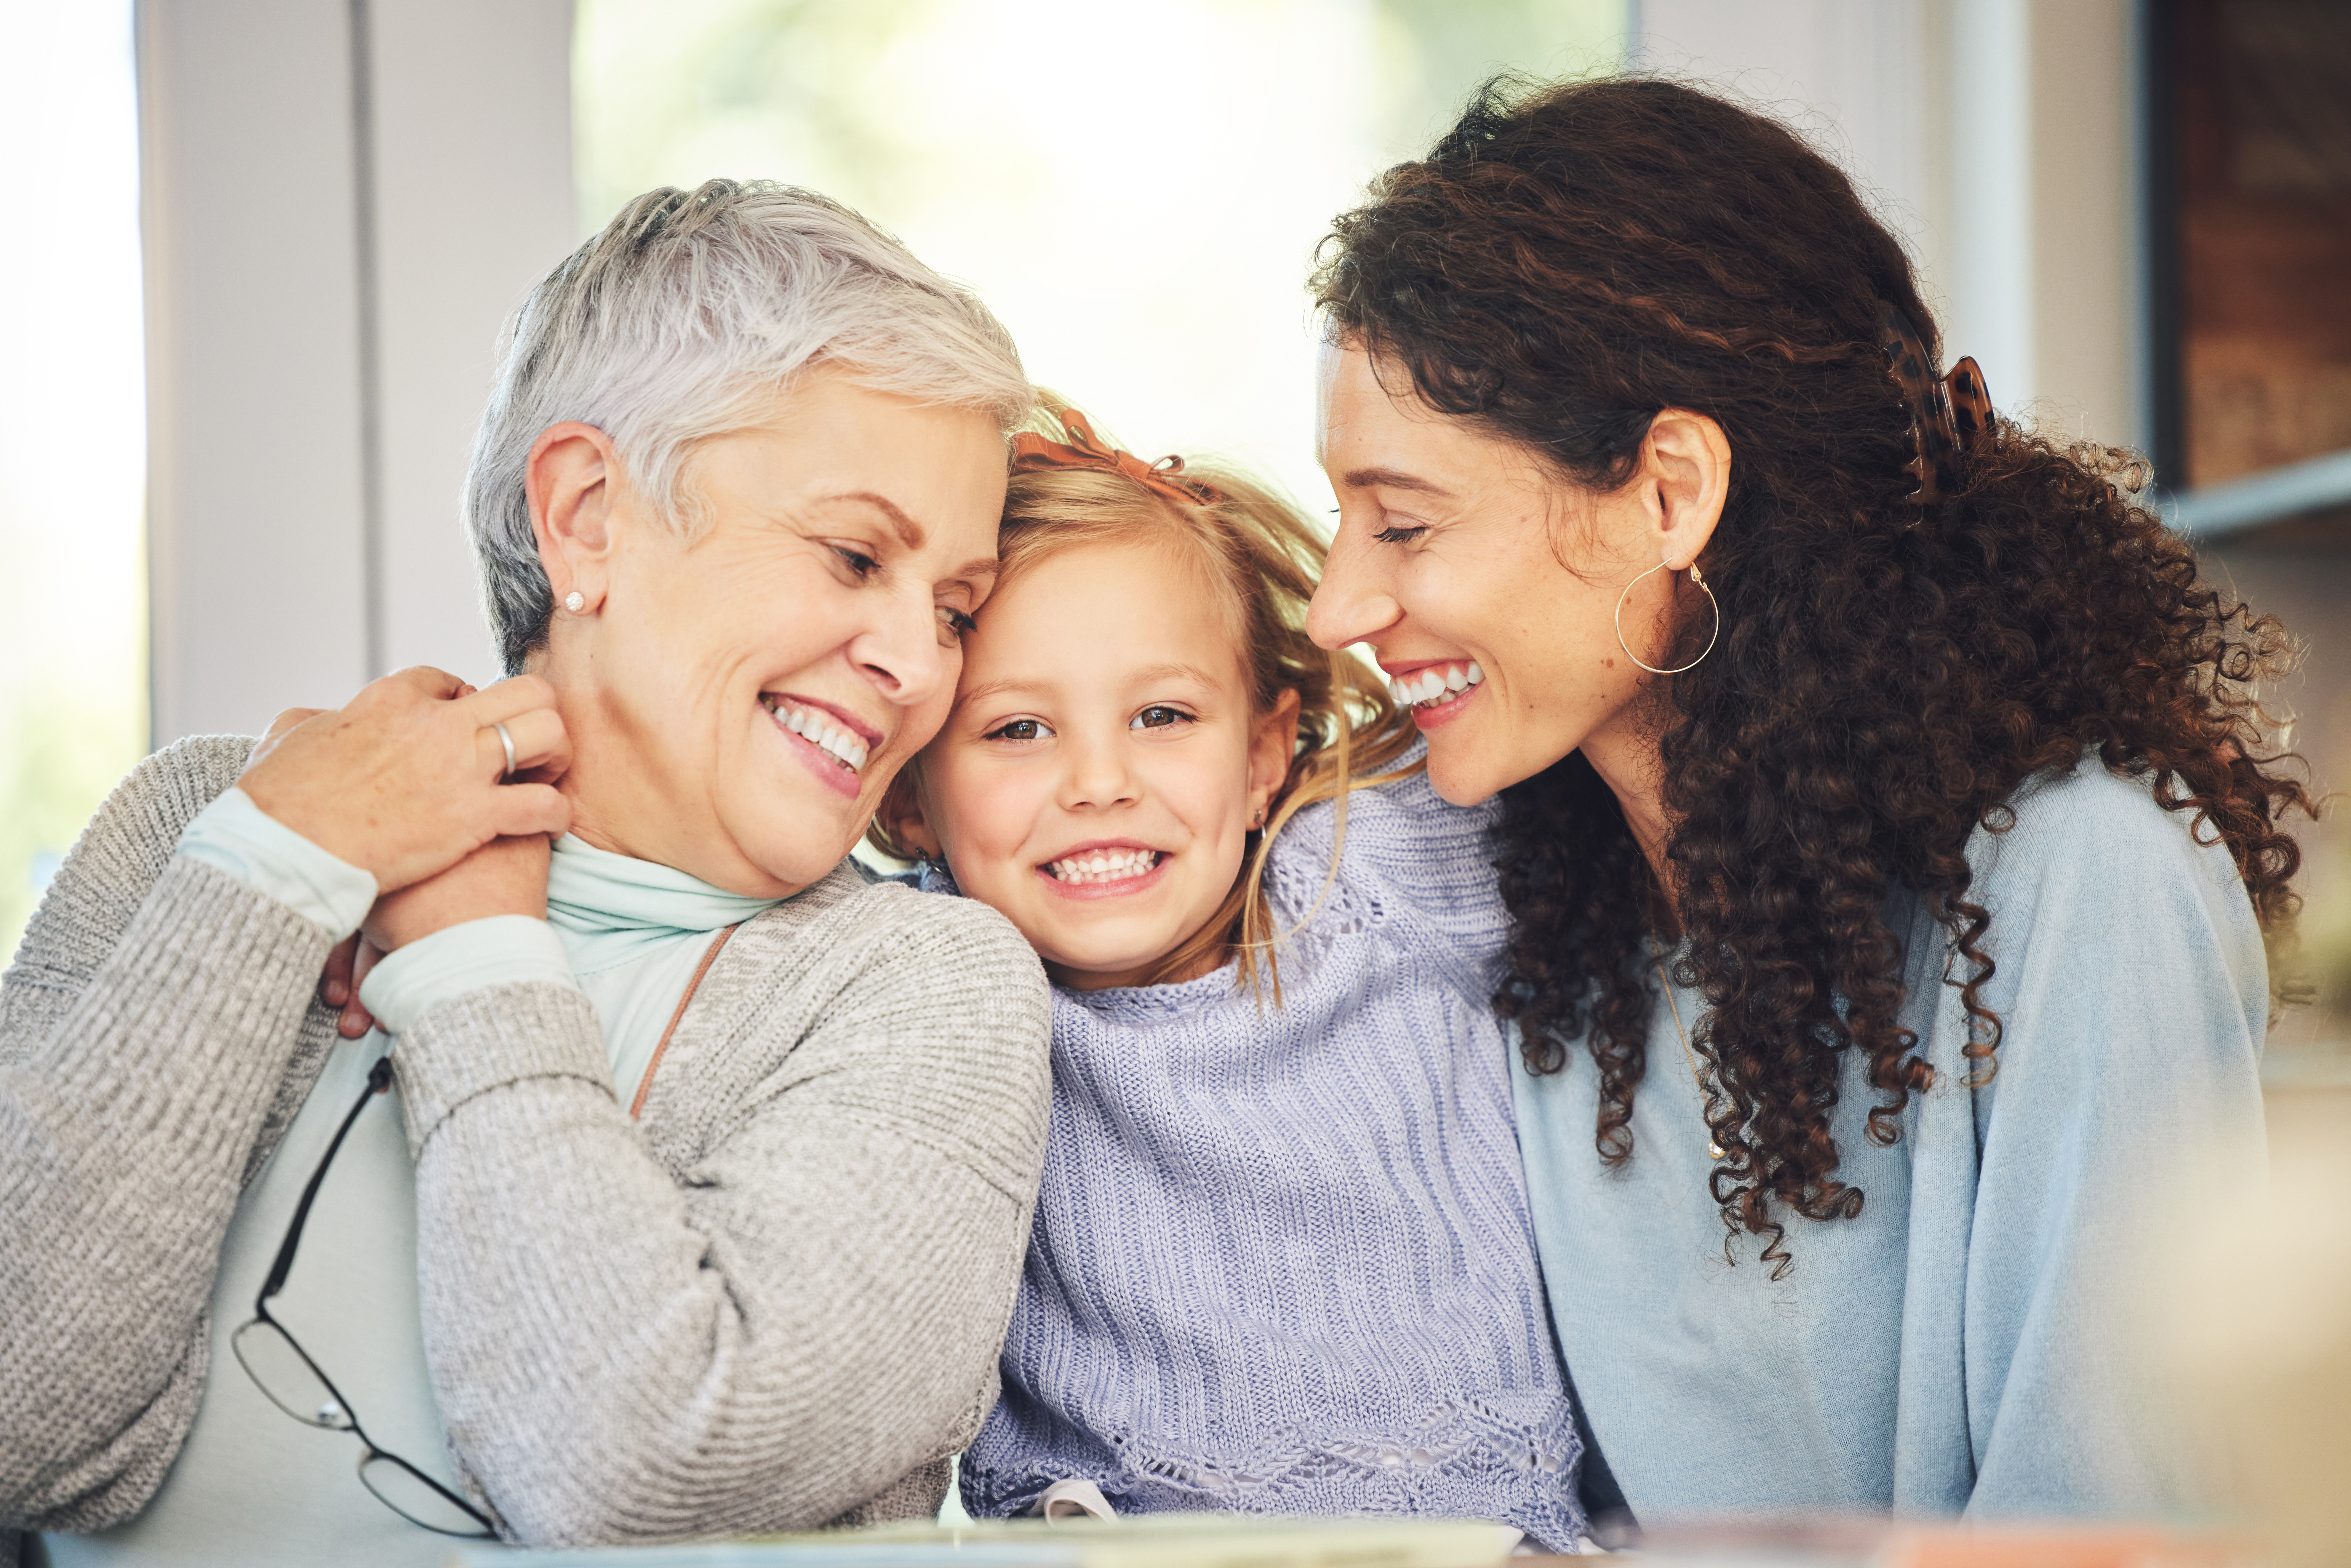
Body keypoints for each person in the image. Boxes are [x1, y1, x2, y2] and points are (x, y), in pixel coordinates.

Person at [0, 180, 1052, 1566]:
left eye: (955, 609)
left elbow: (634, 1476)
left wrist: (473, 960)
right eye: (855, 555)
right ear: (587, 517)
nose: (919, 668)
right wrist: (265, 871)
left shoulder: (929, 990)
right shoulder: (207, 825)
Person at [1304, 77, 2307, 1524]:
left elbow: (2104, 1533)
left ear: (1668, 493)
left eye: (1402, 523)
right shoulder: (1519, 881)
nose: (1340, 602)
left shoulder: (2085, 878)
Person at [872, 407, 1590, 1549]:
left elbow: (1619, 752)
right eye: (1016, 729)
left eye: (1163, 715)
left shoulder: (1368, 868)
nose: (1099, 781)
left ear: (1263, 755)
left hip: (1487, 1535)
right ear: (909, 799)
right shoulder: (920, 976)